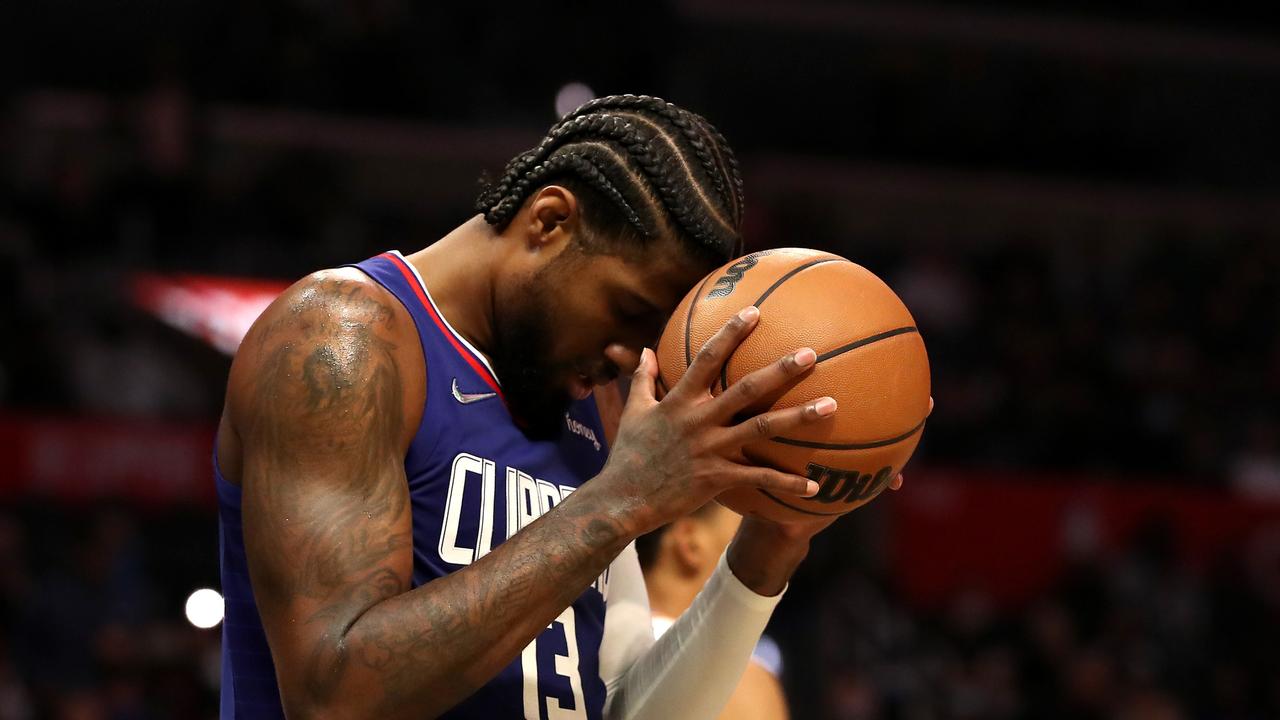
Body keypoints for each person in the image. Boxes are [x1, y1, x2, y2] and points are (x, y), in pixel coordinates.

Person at [214, 94, 905, 719]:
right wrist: (618, 502)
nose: (631, 358)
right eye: (629, 312)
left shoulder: (599, 402)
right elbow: (334, 696)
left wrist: (771, 546)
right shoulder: (344, 339)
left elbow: (631, 709)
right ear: (549, 220)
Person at [637, 503, 789, 720]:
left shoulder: (592, 643)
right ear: (690, 542)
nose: (764, 548)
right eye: (745, 530)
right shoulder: (743, 682)